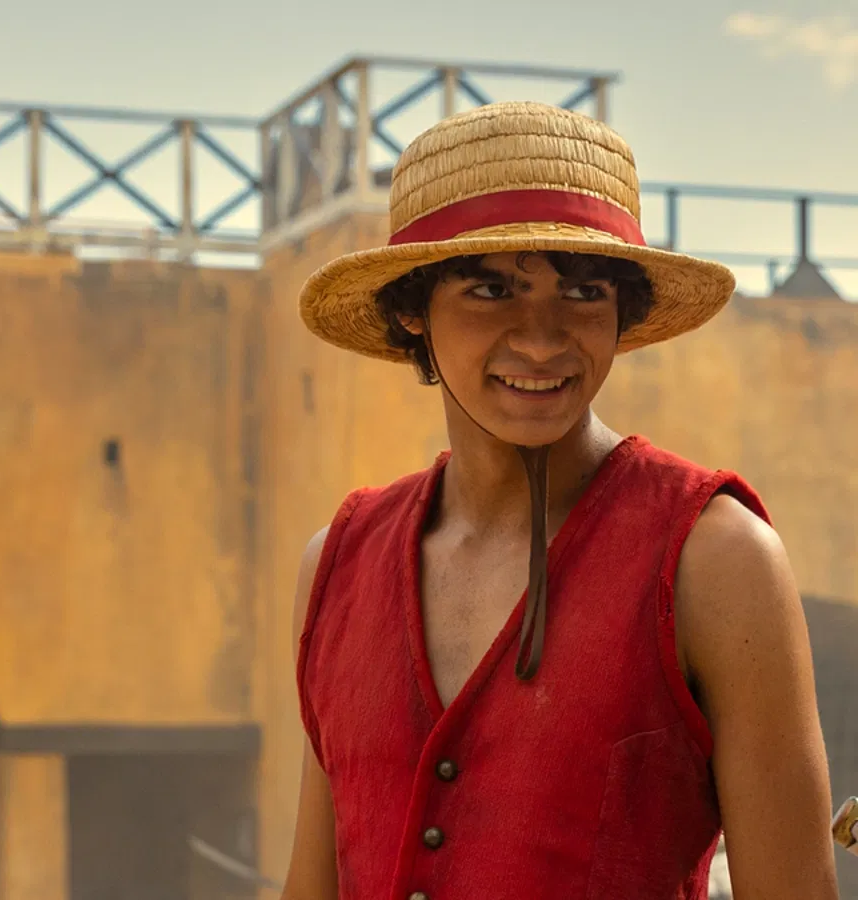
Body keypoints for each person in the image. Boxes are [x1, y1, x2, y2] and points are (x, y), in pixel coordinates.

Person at [279, 101, 838, 899]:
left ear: (623, 312)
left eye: (583, 292)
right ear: (411, 308)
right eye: (490, 289)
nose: (541, 339)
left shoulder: (717, 560)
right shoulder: (337, 565)